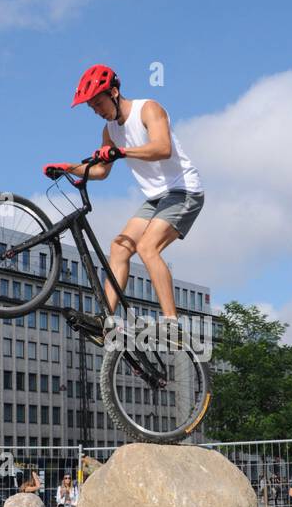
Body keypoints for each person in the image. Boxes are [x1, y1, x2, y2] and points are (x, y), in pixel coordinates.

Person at [44, 64, 204, 344]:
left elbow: (162, 147)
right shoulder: (110, 131)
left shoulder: (149, 109)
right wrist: (69, 167)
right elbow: (101, 171)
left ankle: (171, 324)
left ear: (114, 92)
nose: (96, 110)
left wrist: (122, 151)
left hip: (184, 191)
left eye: (98, 103)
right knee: (119, 247)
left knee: (146, 247)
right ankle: (106, 322)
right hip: (155, 198)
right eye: (91, 107)